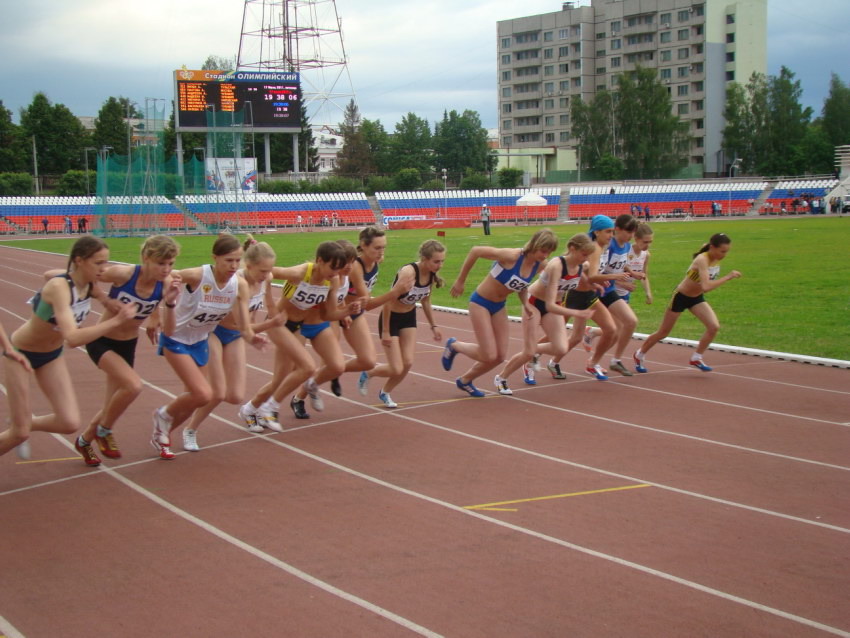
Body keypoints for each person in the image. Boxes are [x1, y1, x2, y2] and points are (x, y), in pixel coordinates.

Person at [0, 236, 136, 459]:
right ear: (79, 261)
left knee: (68, 422)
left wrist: (108, 302)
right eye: (99, 263)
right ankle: (22, 424)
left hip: (51, 356)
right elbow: (72, 338)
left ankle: (26, 421)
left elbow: (99, 296)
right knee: (19, 433)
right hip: (20, 353)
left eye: (107, 262)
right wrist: (116, 321)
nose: (105, 269)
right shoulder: (59, 288)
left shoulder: (91, 285)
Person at [152, 234, 266, 460]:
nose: (234, 266)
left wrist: (253, 338)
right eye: (228, 261)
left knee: (199, 398)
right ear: (215, 258)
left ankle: (162, 433)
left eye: (237, 261)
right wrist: (155, 314)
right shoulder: (198, 275)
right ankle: (162, 415)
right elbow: (162, 279)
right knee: (204, 393)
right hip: (176, 338)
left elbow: (244, 326)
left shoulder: (239, 284)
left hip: (200, 340)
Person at [72, 235, 181, 465]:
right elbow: (85, 277)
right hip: (102, 340)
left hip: (127, 345)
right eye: (161, 263)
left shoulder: (167, 284)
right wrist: (105, 299)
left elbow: (169, 331)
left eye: (170, 263)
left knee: (111, 404)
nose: (166, 269)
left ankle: (84, 441)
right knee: (133, 386)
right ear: (145, 258)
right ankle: (104, 432)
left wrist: (166, 307)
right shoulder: (124, 274)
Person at [182, 237, 285, 450]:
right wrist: (269, 325)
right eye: (262, 271)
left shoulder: (264, 280)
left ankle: (193, 399)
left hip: (236, 335)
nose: (267, 276)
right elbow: (241, 322)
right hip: (214, 331)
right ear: (249, 266)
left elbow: (249, 323)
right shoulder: (236, 281)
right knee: (217, 392)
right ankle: (190, 429)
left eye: (270, 271)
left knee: (235, 395)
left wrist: (256, 333)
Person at [242, 241, 359, 423]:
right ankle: (267, 407)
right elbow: (268, 276)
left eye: (339, 269)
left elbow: (328, 313)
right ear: (320, 261)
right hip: (279, 324)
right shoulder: (301, 272)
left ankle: (251, 408)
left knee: (282, 377)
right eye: (332, 267)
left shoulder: (332, 280)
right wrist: (271, 308)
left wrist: (348, 311)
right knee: (306, 367)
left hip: (297, 326)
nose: (335, 273)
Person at [442, 229, 557, 397]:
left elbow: (522, 285)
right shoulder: (512, 256)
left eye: (549, 252)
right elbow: (476, 251)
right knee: (488, 354)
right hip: (480, 302)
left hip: (499, 306)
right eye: (543, 251)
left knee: (499, 357)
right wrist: (460, 281)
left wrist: (525, 304)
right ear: (534, 245)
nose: (545, 255)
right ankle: (454, 345)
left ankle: (465, 380)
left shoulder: (539, 265)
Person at [495, 233, 595, 394]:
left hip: (554, 305)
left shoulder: (583, 265)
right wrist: (577, 312)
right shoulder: (556, 265)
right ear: (572, 249)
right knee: (528, 351)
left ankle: (533, 352)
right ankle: (501, 377)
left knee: (561, 348)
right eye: (583, 254)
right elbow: (549, 304)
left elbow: (579, 276)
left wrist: (593, 285)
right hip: (534, 303)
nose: (585, 258)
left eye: (588, 256)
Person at [633, 233, 741, 373]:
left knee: (714, 326)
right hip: (681, 296)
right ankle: (639, 354)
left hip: (696, 298)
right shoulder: (703, 259)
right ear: (713, 248)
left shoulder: (711, 253)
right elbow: (706, 287)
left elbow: (704, 249)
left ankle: (697, 357)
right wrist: (728, 277)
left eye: (727, 251)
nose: (724, 255)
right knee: (663, 332)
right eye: (722, 251)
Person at [361, 240, 445, 408]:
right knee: (396, 368)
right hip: (390, 317)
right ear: (424, 258)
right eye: (436, 261)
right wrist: (385, 331)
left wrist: (433, 326)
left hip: (408, 317)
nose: (440, 265)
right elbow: (388, 301)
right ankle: (370, 372)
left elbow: (426, 302)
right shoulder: (408, 273)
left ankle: (385, 392)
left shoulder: (430, 274)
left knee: (407, 363)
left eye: (442, 261)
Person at [583, 222, 654, 364]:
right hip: (603, 290)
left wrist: (646, 289)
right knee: (614, 329)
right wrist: (620, 282)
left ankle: (601, 357)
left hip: (618, 292)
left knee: (620, 328)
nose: (647, 245)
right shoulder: (610, 247)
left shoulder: (639, 252)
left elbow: (636, 272)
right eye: (645, 242)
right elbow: (603, 272)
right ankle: (600, 359)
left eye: (650, 242)